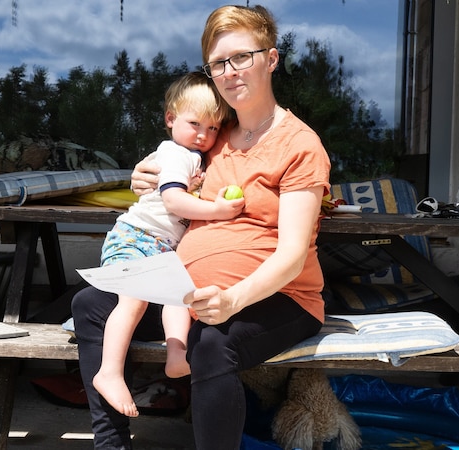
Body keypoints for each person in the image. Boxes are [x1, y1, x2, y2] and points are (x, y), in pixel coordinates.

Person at [72, 4, 330, 449]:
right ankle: (111, 446)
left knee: (212, 345)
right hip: (190, 296)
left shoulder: (300, 145)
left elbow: (291, 257)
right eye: (218, 64)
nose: (230, 72)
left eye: (241, 57)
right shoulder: (210, 138)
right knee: (90, 304)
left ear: (271, 59)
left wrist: (232, 299)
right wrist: (143, 174)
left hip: (279, 300)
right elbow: (167, 172)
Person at [92, 71, 243, 418]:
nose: (203, 135)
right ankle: (109, 371)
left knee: (179, 297)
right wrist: (217, 210)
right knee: (134, 299)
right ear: (170, 119)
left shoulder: (193, 156)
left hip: (159, 246)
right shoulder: (176, 153)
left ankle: (176, 357)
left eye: (213, 128)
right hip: (135, 237)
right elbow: (174, 202)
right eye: (195, 124)